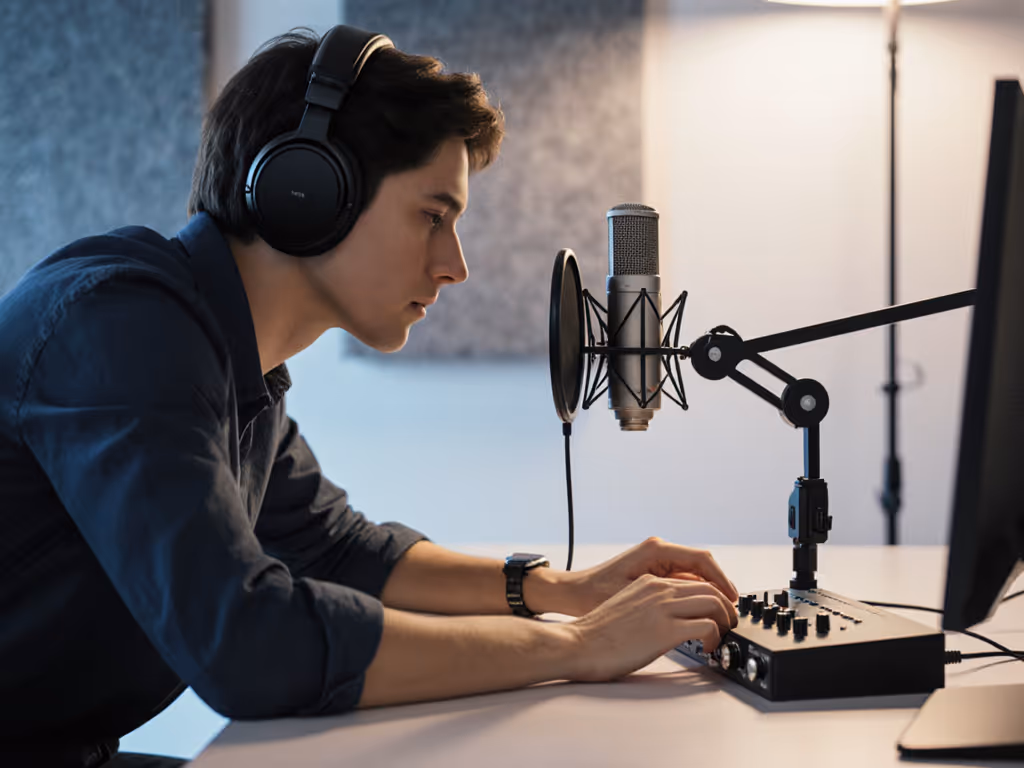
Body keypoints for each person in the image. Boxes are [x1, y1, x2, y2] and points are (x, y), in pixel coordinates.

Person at [0, 25, 739, 767]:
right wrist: (577, 647)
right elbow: (247, 643)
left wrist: (562, 592)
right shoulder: (123, 331)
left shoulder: (226, 364)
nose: (456, 267)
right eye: (432, 215)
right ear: (307, 190)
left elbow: (338, 548)